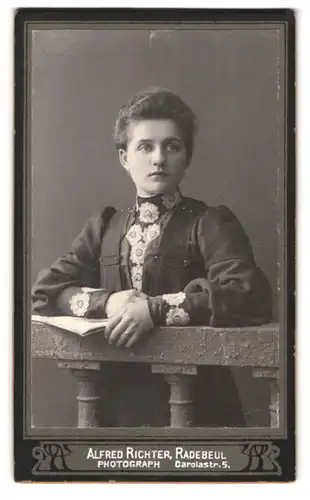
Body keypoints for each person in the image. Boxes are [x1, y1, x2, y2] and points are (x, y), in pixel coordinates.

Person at [32, 87, 272, 427]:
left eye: (171, 146)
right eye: (145, 146)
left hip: (197, 403)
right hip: (118, 405)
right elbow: (47, 291)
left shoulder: (209, 222)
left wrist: (154, 310)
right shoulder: (104, 226)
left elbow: (248, 293)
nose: (158, 158)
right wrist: (109, 303)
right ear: (124, 157)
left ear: (186, 157)